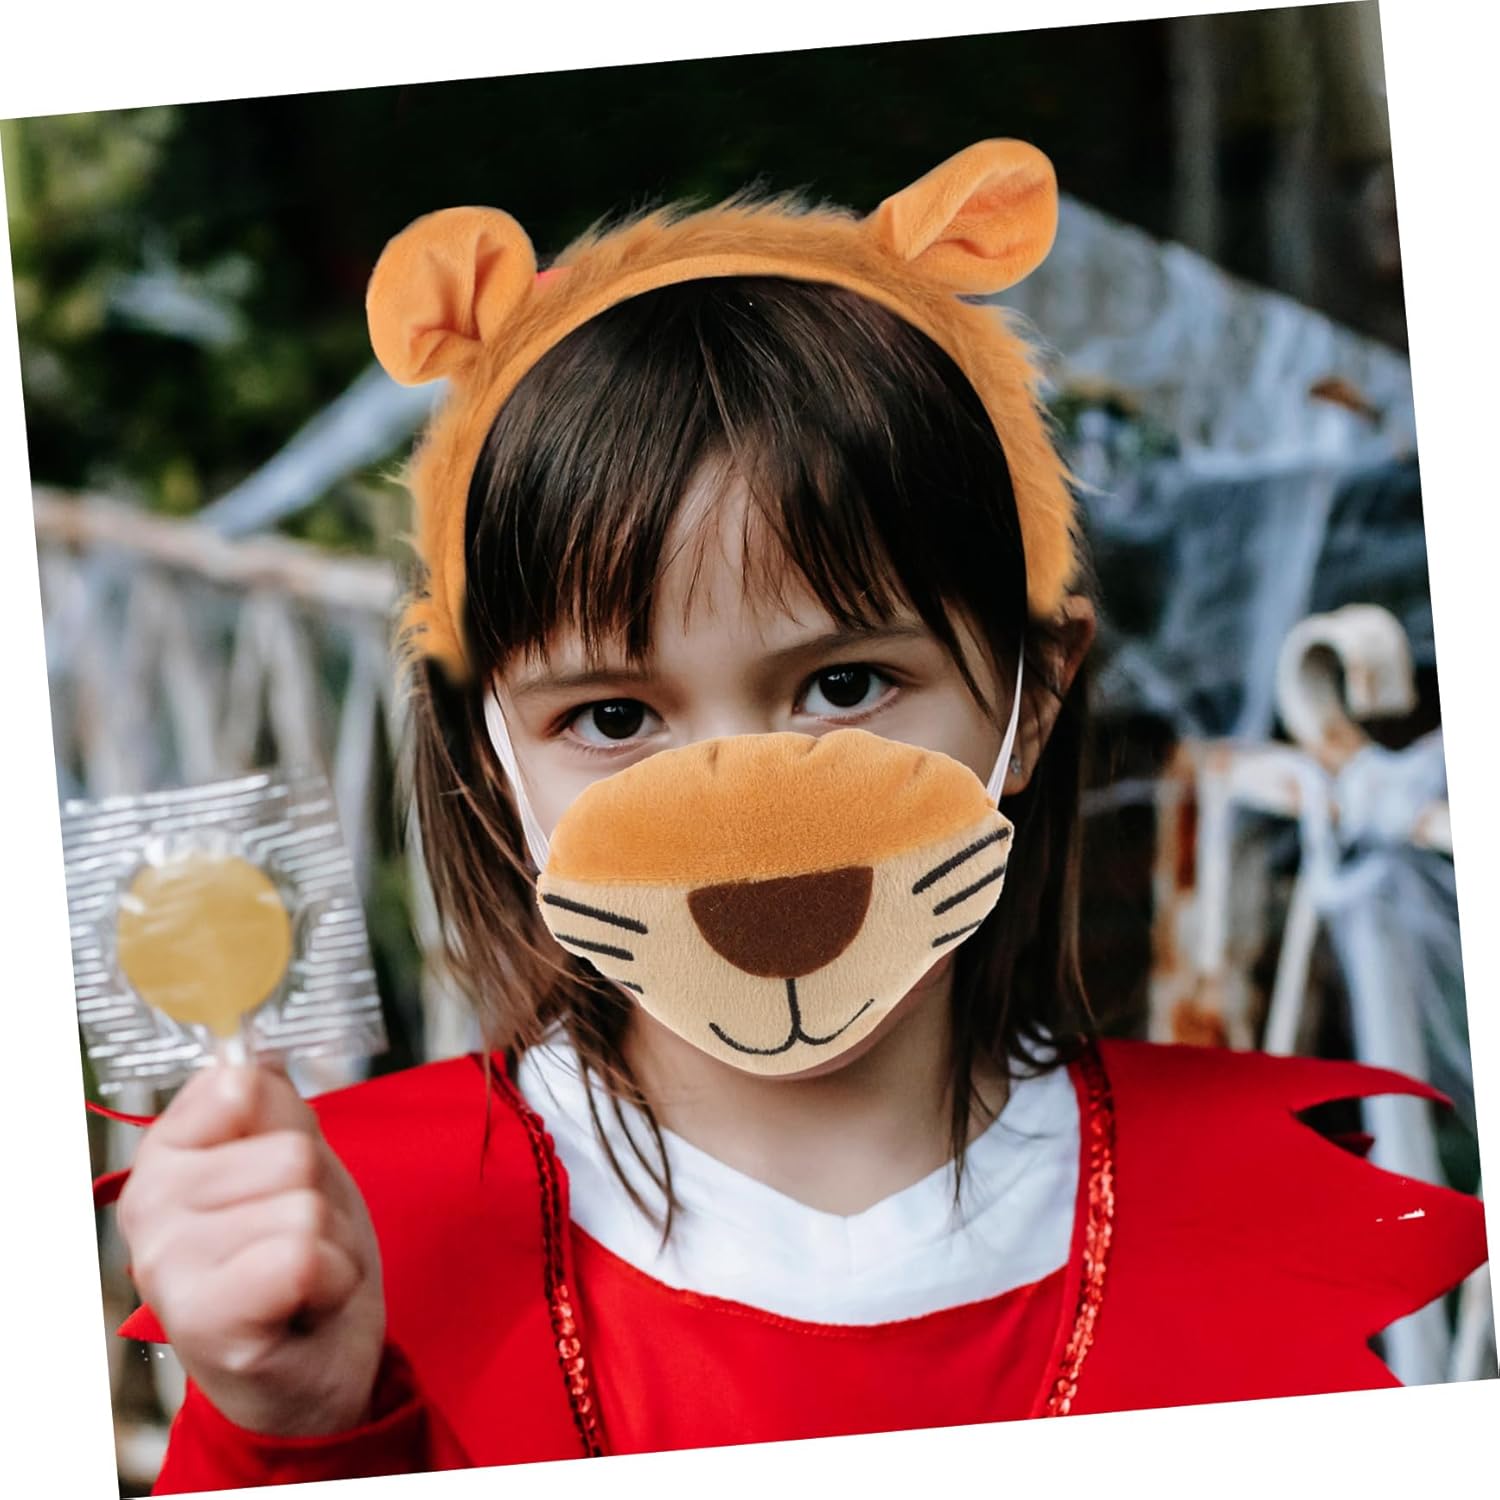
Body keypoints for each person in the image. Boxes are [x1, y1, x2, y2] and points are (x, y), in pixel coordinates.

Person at [94, 141, 1487, 1492]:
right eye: (615, 717)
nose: (747, 829)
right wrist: (295, 1426)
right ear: (488, 755)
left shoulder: (1244, 1210)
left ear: (1034, 697)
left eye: (844, 685)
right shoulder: (363, 1236)